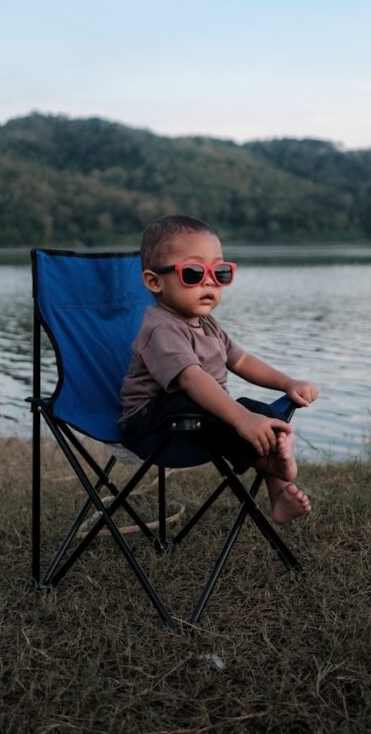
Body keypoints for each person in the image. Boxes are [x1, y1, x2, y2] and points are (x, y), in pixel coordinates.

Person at [120, 215, 319, 525]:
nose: (209, 280)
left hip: (198, 422)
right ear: (154, 281)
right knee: (224, 407)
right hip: (150, 428)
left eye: (220, 272)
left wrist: (286, 383)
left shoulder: (208, 323)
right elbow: (191, 377)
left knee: (259, 411)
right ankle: (271, 460)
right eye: (194, 272)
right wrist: (240, 419)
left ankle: (278, 490)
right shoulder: (161, 328)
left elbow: (240, 360)